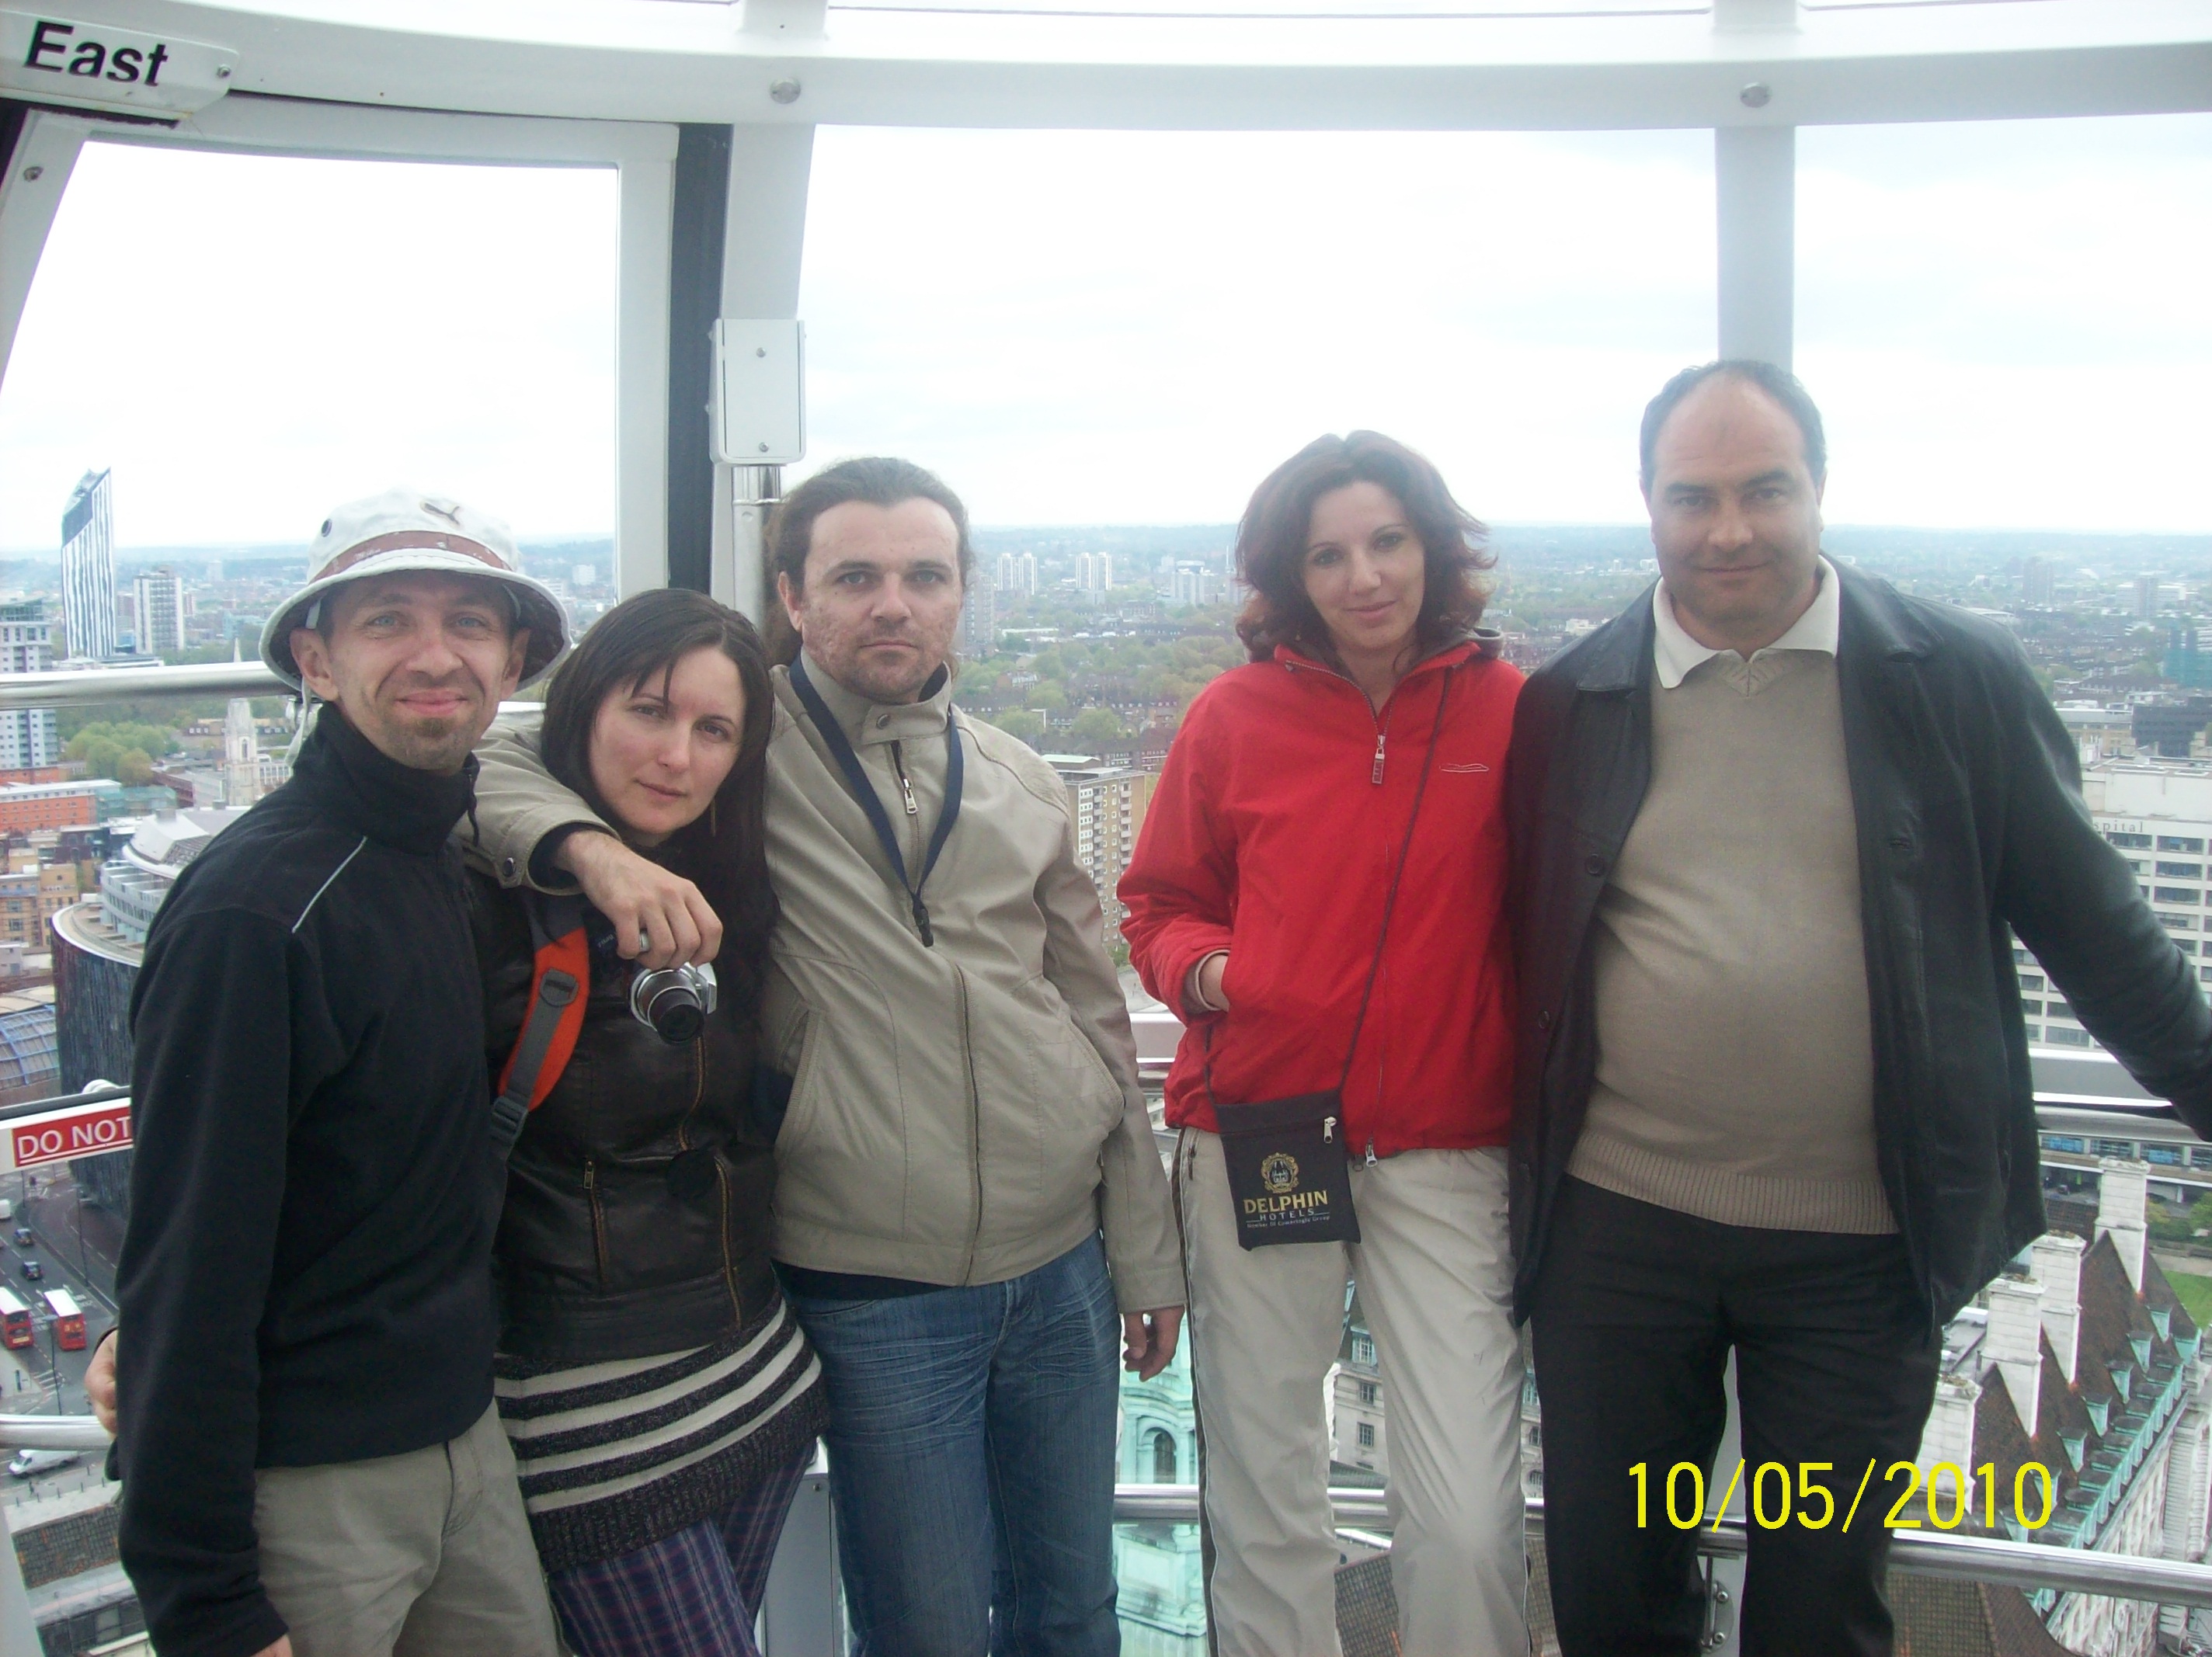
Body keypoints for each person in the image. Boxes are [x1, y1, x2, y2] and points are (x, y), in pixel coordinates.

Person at [1507, 361, 2212, 1654]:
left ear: (1821, 488)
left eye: (1765, 488)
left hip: (1858, 1250)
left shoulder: (1956, 679)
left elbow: (2102, 934)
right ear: (1647, 503)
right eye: (1694, 495)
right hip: (1619, 1242)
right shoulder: (1574, 700)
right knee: (1614, 1591)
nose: (1730, 528)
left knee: (1819, 1608)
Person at [464, 455, 1184, 1656]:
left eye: (924, 576)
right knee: (925, 1624)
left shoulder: (1019, 778)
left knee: (1075, 1607)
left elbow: (1095, 1023)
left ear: (962, 594)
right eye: (855, 577)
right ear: (794, 597)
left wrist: (1145, 1253)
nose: (892, 603)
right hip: (871, 1271)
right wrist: (597, 852)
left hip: (1061, 1264)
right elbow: (489, 760)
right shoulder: (735, 740)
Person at [111, 491, 569, 1657]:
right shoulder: (256, 913)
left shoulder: (432, 855)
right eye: (387, 621)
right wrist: (209, 1604)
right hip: (311, 1488)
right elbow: (190, 1262)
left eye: (470, 621)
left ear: (513, 659)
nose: (436, 654)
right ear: (316, 661)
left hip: (462, 1439)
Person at [1120, 432, 1527, 1656]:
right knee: (1265, 1496)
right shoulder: (1232, 716)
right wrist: (1219, 973)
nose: (1365, 576)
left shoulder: (1514, 711)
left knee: (1466, 1515)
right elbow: (1157, 903)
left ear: (1434, 548)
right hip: (1260, 1128)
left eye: (1388, 541)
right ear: (1290, 577)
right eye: (1328, 555)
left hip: (1450, 1145)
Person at [469, 588, 828, 1656]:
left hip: (755, 1379)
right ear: (583, 703)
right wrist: (589, 849)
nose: (677, 755)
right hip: (591, 1416)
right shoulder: (485, 881)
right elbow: (459, 767)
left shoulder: (726, 880)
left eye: (714, 730)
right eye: (649, 711)